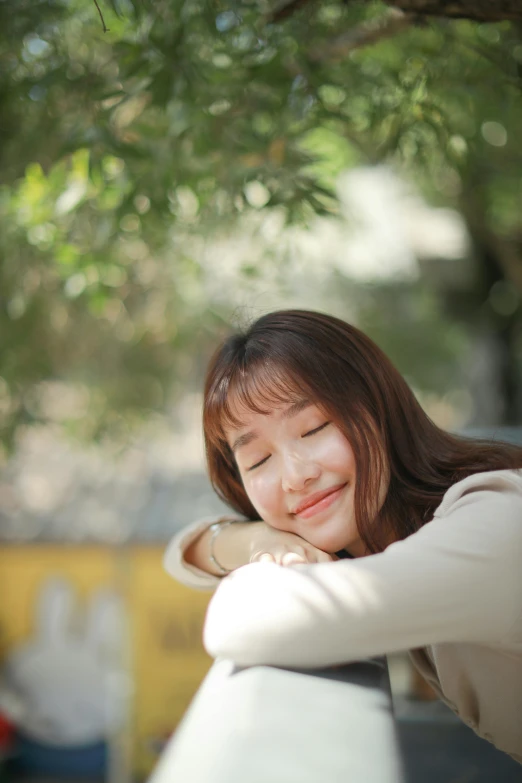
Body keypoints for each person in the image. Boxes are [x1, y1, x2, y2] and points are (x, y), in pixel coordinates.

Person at [164, 309, 522, 763]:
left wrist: (259, 564)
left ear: (380, 409)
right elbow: (181, 551)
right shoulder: (405, 537)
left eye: (313, 429)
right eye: (257, 461)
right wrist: (260, 542)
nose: (295, 476)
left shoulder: (496, 522)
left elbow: (238, 624)